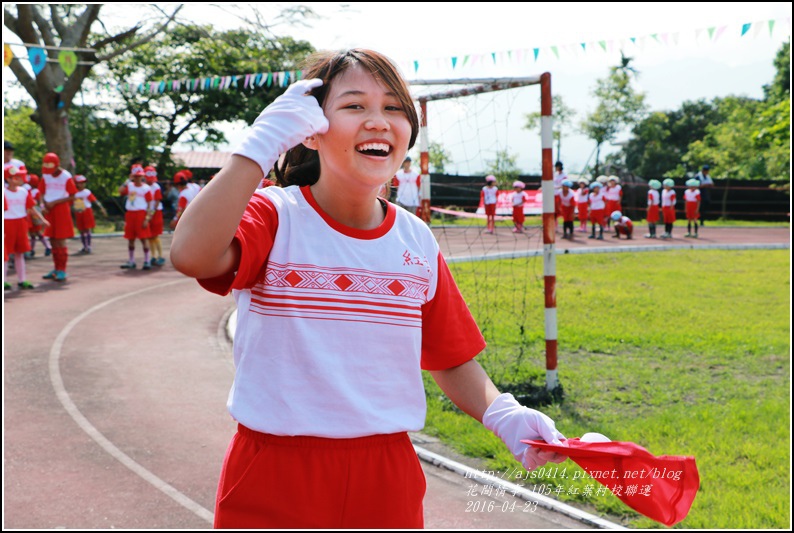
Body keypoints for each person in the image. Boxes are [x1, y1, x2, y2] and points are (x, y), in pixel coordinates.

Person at [169, 48, 566, 530]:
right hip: (274, 470)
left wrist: (504, 414)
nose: (378, 121)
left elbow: (450, 356)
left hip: (387, 473)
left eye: (393, 108)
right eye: (355, 105)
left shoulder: (415, 239)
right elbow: (191, 255)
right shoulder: (275, 215)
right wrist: (258, 148)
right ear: (309, 130)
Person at [4, 164, 48, 290]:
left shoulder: (23, 192)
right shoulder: (4, 192)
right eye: (16, 177)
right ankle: (4, 280)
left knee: (20, 252)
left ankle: (22, 279)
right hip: (7, 223)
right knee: (5, 254)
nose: (20, 179)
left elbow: (31, 208)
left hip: (21, 223)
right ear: (8, 179)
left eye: (19, 176)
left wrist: (43, 220)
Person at [39, 152, 76, 282]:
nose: (49, 172)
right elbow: (42, 192)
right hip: (49, 210)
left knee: (60, 240)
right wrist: (43, 206)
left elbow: (72, 195)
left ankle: (62, 270)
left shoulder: (66, 176)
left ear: (57, 165)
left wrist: (55, 202)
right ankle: (56, 268)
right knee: (53, 240)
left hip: (61, 209)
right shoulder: (45, 175)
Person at [118, 164, 154, 270]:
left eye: (140, 176)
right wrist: (127, 180)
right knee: (130, 239)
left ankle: (147, 261)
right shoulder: (129, 186)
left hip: (141, 214)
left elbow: (150, 204)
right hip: (130, 214)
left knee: (144, 239)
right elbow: (120, 191)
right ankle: (131, 261)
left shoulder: (146, 188)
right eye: (135, 176)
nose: (138, 178)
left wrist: (147, 218)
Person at [72, 174, 108, 254]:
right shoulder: (73, 193)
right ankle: (84, 246)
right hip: (78, 211)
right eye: (79, 183)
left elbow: (94, 200)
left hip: (87, 211)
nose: (82, 185)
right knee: (81, 230)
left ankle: (88, 246)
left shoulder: (86, 192)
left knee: (87, 229)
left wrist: (101, 208)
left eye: (83, 183)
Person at [25, 174, 52, 258]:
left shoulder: (36, 191)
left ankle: (48, 246)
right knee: (32, 233)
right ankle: (31, 249)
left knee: (38, 231)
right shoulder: (26, 190)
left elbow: (37, 202)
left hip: (35, 212)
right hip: (29, 212)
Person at [144, 166, 166, 265]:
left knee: (155, 235)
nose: (151, 181)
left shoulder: (156, 187)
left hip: (156, 212)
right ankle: (153, 256)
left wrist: (152, 213)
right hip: (147, 212)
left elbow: (157, 201)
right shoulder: (144, 186)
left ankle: (160, 256)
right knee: (149, 236)